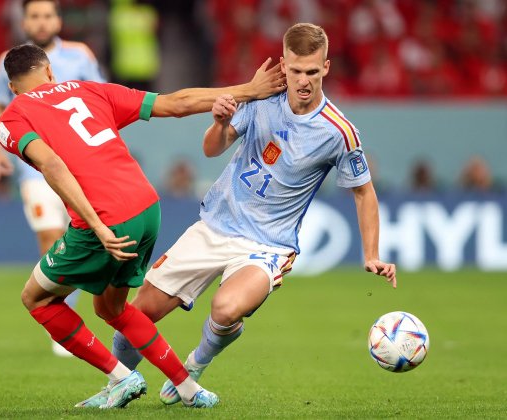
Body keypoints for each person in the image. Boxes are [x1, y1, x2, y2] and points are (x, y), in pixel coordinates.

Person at [84, 22, 397, 406]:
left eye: (312, 72)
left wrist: (372, 254)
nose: (303, 81)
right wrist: (218, 122)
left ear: (326, 68)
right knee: (140, 315)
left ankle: (196, 364)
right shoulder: (262, 99)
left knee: (226, 308)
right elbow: (211, 149)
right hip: (214, 226)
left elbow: (364, 193)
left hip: (267, 245)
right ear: (283, 65)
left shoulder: (339, 132)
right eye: (296, 70)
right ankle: (117, 382)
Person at [0, 44, 285, 409]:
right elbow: (177, 103)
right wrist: (248, 90)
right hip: (147, 207)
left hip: (106, 217)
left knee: (36, 298)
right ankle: (189, 388)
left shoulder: (13, 116)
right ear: (50, 72)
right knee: (110, 308)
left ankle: (120, 378)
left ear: (12, 87)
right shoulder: (90, 91)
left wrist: (98, 225)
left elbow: (52, 165)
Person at [0, 0, 104, 356]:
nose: (41, 22)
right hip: (34, 169)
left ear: (58, 19)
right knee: (50, 239)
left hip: (79, 166)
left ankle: (65, 320)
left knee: (79, 239)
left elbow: (99, 100)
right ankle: (63, 322)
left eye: (47, 15)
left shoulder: (80, 55)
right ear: (24, 21)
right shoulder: (9, 62)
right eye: (34, 16)